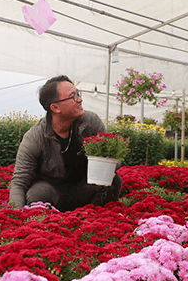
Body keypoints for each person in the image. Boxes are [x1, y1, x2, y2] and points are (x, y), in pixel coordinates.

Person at [9, 75, 122, 211]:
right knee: (38, 193)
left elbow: (115, 157)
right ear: (55, 108)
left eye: (78, 94)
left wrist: (106, 168)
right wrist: (15, 213)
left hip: (85, 188)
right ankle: (49, 223)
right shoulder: (35, 137)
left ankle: (98, 217)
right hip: (54, 193)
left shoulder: (90, 122)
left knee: (113, 180)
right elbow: (19, 181)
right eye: (73, 96)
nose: (80, 100)